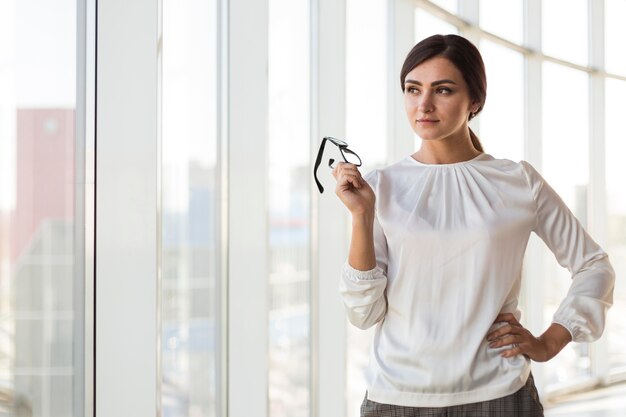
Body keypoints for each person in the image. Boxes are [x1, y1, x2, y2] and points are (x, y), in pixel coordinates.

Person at [332, 34, 615, 417]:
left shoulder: (518, 181)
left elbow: (593, 264)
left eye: (443, 90)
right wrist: (362, 216)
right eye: (412, 90)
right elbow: (363, 314)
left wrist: (551, 341)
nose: (424, 105)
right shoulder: (381, 186)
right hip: (396, 398)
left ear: (475, 101)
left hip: (499, 394)